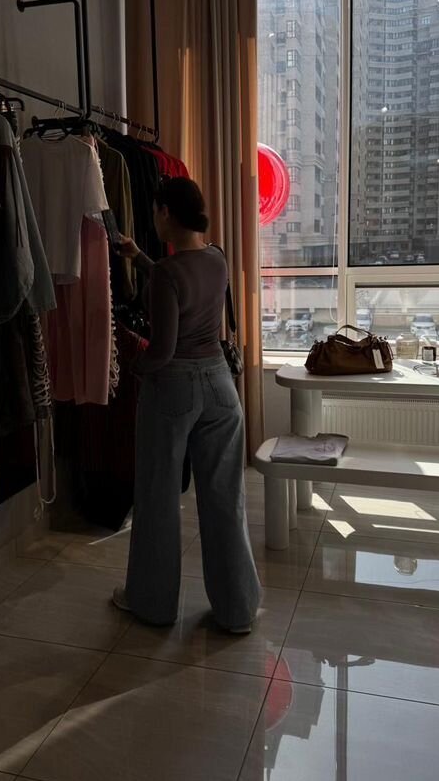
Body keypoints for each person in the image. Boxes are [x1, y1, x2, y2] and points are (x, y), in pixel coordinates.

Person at [112, 178, 261, 633]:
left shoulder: (166, 274)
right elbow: (186, 284)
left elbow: (162, 350)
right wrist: (141, 258)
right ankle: (237, 611)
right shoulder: (217, 257)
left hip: (174, 388)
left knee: (157, 497)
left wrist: (131, 366)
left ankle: (152, 605)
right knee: (225, 498)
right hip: (220, 386)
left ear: (164, 212)